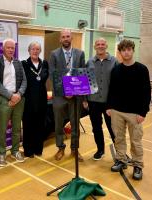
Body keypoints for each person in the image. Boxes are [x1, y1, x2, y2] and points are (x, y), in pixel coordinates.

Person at [106, 39, 151, 180]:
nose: (126, 52)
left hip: (135, 113)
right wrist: (109, 107)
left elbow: (146, 92)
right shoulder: (116, 70)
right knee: (118, 138)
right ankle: (121, 160)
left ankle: (137, 165)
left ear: (133, 50)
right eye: (123, 50)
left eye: (129, 49)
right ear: (120, 52)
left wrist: (143, 112)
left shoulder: (142, 69)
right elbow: (112, 90)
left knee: (135, 141)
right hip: (117, 111)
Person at [49, 29, 85, 161]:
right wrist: (66, 91)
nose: (65, 38)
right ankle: (60, 147)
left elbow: (82, 74)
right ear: (60, 39)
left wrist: (73, 91)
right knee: (58, 123)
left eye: (68, 36)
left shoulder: (80, 53)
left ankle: (75, 149)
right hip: (59, 95)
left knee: (75, 123)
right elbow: (52, 75)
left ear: (72, 38)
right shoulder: (54, 54)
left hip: (75, 96)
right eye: (63, 37)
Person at [0, 38, 27, 167]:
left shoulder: (18, 62)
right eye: (8, 47)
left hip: (19, 98)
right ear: (3, 48)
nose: (11, 50)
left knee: (17, 128)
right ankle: (2, 153)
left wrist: (18, 94)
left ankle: (15, 151)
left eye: (13, 48)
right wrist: (10, 96)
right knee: (2, 128)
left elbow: (24, 81)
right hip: (4, 98)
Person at [86, 38, 116, 160]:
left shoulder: (114, 61)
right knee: (96, 127)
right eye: (98, 44)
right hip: (93, 101)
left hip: (109, 102)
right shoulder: (89, 62)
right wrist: (84, 99)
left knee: (113, 128)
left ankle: (120, 152)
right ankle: (100, 150)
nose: (100, 46)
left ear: (106, 46)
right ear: (94, 47)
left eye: (103, 44)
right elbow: (85, 81)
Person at [21, 41, 49, 158]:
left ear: (40, 51)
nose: (35, 51)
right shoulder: (24, 64)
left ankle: (38, 149)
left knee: (40, 125)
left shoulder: (45, 64)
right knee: (28, 126)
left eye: (37, 49)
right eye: (33, 49)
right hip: (28, 100)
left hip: (42, 99)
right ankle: (28, 150)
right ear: (29, 50)